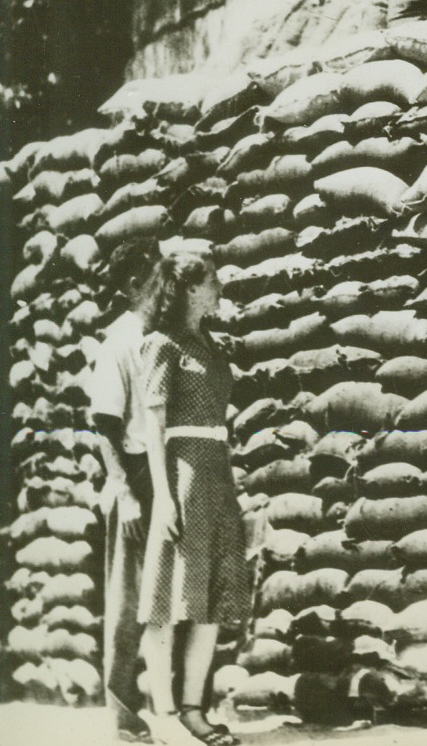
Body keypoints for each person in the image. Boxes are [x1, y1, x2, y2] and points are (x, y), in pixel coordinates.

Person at [137, 251, 252, 746]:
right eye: (213, 281)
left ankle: (192, 711)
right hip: (180, 473)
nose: (220, 287)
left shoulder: (211, 343)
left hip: (216, 473)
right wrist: (163, 498)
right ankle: (162, 716)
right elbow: (152, 424)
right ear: (187, 288)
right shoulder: (161, 345)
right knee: (166, 598)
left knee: (210, 597)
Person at [87, 237, 162, 744]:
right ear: (134, 285)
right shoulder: (120, 340)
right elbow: (104, 424)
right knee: (129, 597)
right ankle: (122, 714)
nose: (165, 289)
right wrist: (125, 491)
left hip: (160, 472)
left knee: (162, 594)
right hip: (134, 475)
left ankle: (162, 707)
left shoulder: (154, 334)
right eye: (157, 280)